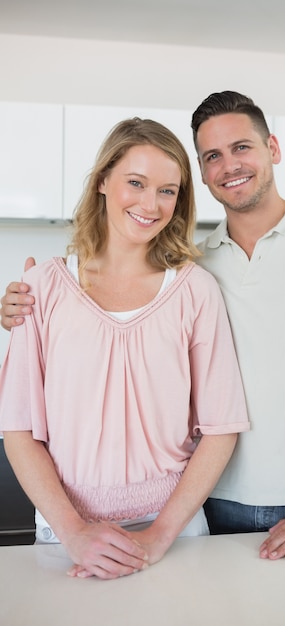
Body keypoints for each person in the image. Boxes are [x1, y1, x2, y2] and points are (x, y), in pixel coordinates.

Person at [1, 92, 285, 562]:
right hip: (206, 504)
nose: (229, 164)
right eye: (212, 155)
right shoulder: (197, 262)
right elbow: (24, 420)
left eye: (242, 147)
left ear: (273, 147)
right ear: (103, 181)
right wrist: (20, 309)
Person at [0, 116, 249, 580]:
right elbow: (18, 431)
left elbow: (221, 430)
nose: (150, 204)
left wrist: (158, 536)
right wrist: (74, 532)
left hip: (174, 533)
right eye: (135, 182)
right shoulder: (41, 288)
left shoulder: (197, 291)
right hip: (65, 536)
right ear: (101, 182)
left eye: (167, 190)